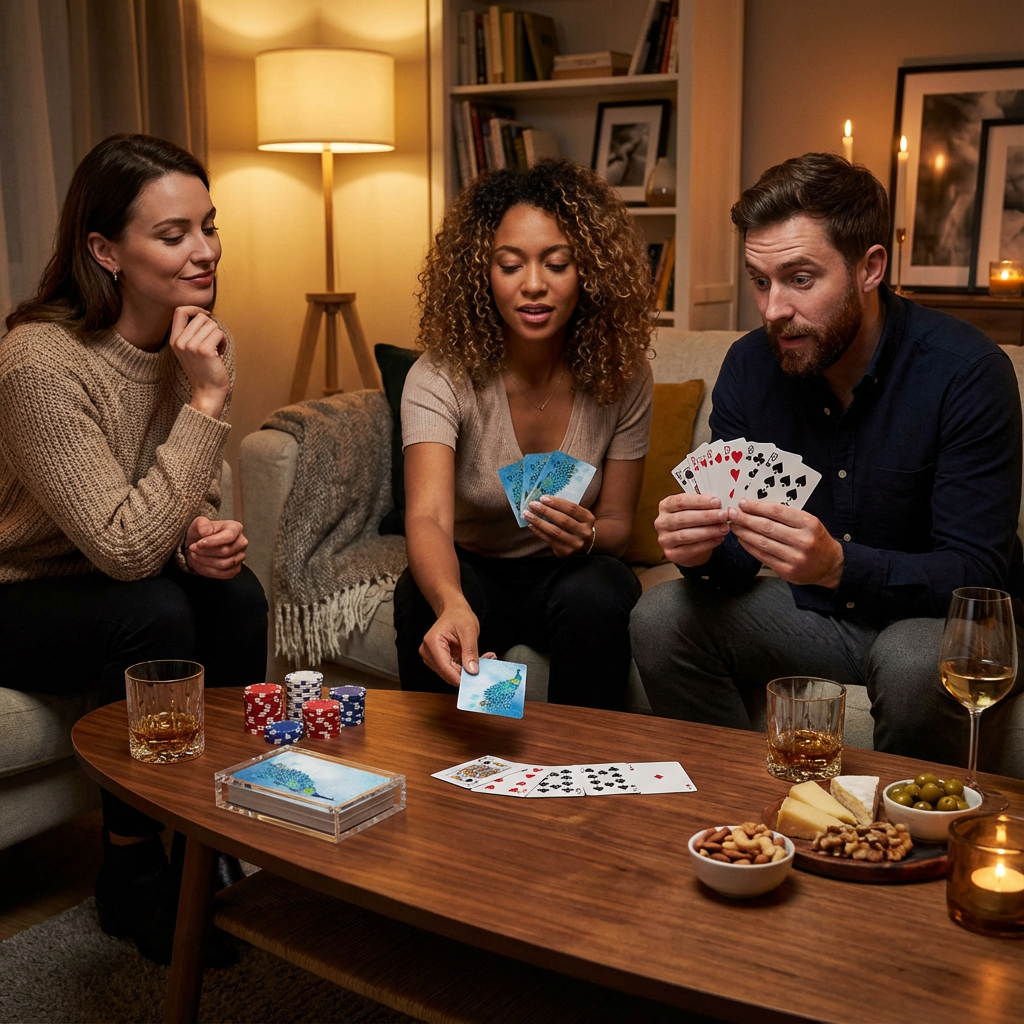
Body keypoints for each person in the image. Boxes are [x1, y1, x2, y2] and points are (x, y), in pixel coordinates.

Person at [630, 152, 1023, 767]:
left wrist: (840, 566)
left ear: (870, 267)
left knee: (913, 663)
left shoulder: (967, 373)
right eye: (760, 281)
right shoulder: (749, 367)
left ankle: (898, 848)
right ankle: (733, 815)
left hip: (932, 622)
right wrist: (702, 550)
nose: (772, 309)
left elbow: (978, 574)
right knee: (660, 615)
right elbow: (734, 558)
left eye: (800, 278)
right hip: (816, 617)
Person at [0, 134, 268, 962]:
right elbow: (120, 547)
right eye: (174, 233)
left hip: (115, 575)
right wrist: (211, 398)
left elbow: (185, 497)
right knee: (150, 611)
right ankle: (131, 867)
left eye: (209, 226)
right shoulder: (37, 362)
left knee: (239, 593)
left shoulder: (187, 342)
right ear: (105, 250)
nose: (205, 250)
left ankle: (208, 831)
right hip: (20, 591)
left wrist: (205, 542)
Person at [395, 160, 654, 709]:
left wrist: (585, 537)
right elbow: (428, 517)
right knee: (418, 600)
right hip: (473, 568)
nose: (533, 285)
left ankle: (578, 769)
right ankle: (442, 775)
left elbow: (617, 528)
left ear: (590, 271)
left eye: (557, 264)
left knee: (601, 590)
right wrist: (452, 602)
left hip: (569, 574)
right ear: (481, 274)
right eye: (510, 265)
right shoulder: (440, 375)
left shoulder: (621, 373)